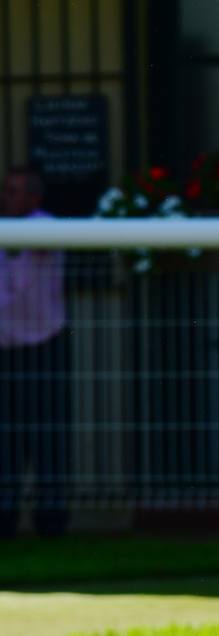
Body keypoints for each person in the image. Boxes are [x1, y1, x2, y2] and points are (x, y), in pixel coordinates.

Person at [0, 167, 70, 538]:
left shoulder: (46, 225)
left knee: (48, 439)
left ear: (33, 198)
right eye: (5, 190)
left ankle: (51, 522)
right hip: (5, 349)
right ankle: (5, 520)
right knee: (6, 439)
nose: (6, 197)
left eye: (13, 191)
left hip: (44, 345)